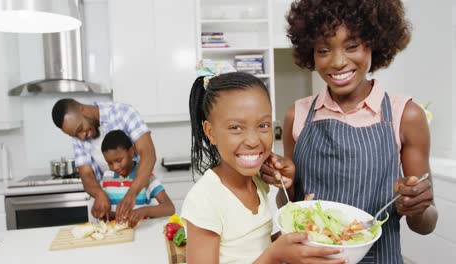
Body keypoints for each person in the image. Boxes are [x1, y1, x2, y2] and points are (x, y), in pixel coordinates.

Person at [261, 0, 438, 263]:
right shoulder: (296, 114)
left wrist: (417, 206)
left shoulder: (406, 115)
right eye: (323, 50)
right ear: (310, 53)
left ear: (374, 43)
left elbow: (425, 224)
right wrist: (284, 185)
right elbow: (288, 208)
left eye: (352, 46)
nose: (338, 62)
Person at [181, 71, 345, 264]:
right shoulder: (205, 199)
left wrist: (297, 234)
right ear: (210, 132)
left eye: (263, 125)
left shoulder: (258, 183)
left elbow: (257, 248)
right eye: (236, 127)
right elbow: (270, 254)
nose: (253, 140)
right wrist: (276, 254)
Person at [51, 99, 156, 223]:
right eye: (75, 135)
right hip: (112, 214)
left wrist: (131, 194)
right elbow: (87, 175)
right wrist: (99, 194)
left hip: (140, 200)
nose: (81, 136)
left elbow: (148, 154)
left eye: (80, 129)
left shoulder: (123, 113)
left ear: (83, 109)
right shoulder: (78, 137)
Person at [100, 130, 174, 227]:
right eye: (109, 163)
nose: (115, 167)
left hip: (142, 235)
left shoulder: (145, 176)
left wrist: (144, 211)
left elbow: (169, 208)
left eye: (119, 160)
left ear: (131, 152)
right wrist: (103, 213)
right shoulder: (107, 177)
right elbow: (105, 210)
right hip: (116, 236)